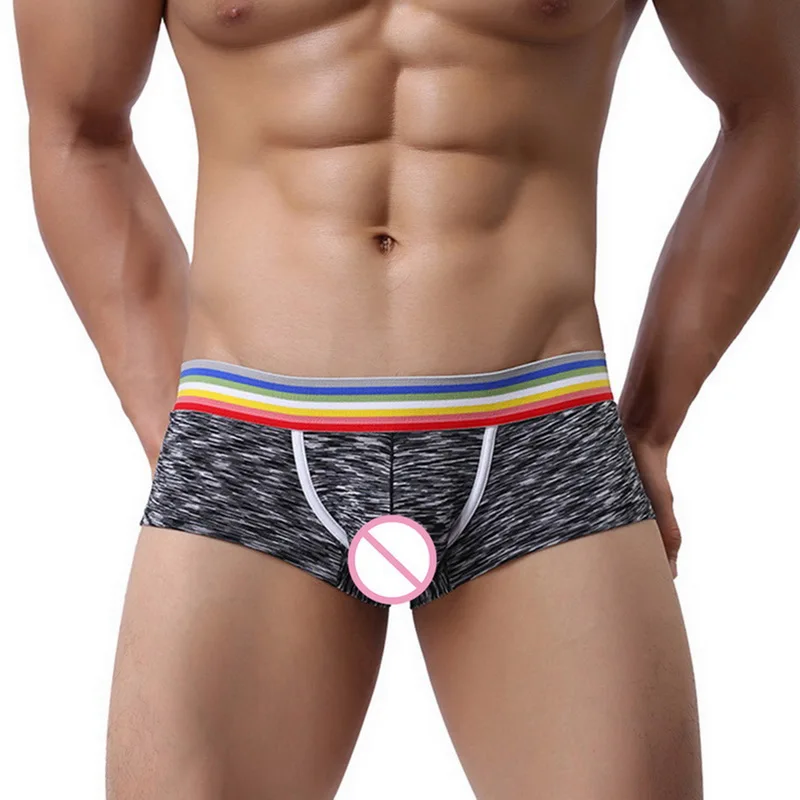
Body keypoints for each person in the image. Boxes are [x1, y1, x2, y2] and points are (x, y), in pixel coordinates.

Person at [14, 0, 800, 797]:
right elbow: (77, 129)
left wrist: (651, 424)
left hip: (540, 428)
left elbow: (776, 106)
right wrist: (180, 437)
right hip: (248, 422)